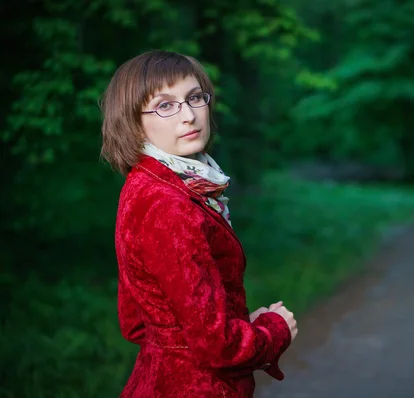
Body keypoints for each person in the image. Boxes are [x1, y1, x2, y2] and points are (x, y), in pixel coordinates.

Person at [100, 50, 298, 397]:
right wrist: (272, 330)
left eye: (194, 98)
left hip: (158, 380)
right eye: (165, 105)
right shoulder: (169, 205)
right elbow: (218, 347)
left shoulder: (146, 183)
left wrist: (227, 326)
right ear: (133, 121)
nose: (189, 116)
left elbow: (136, 323)